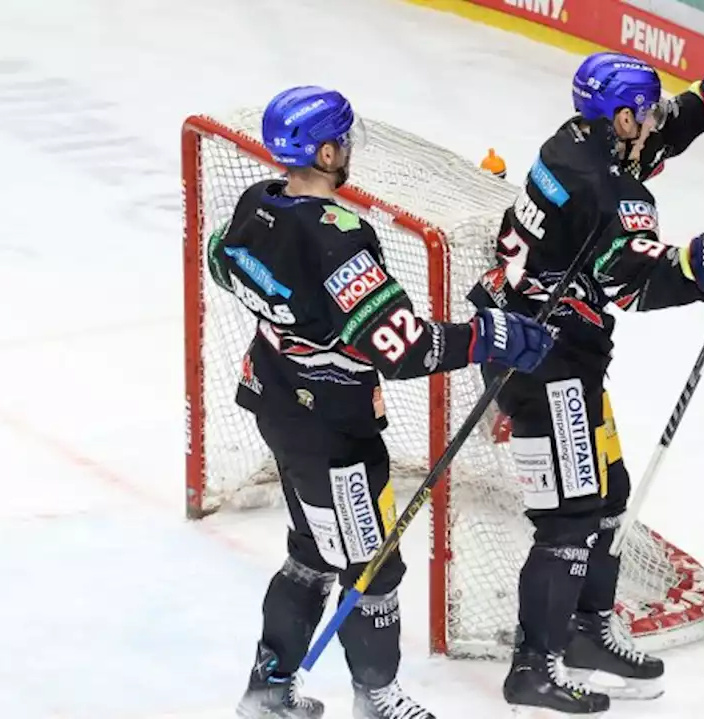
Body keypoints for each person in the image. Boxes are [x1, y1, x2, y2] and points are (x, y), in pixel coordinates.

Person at [466, 33, 704, 715]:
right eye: (644, 112)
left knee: (610, 496)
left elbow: (648, 147)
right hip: (545, 361)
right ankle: (533, 667)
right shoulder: (612, 191)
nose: (651, 122)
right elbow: (634, 284)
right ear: (621, 118)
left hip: (533, 341)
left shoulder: (575, 141)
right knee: (570, 518)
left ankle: (588, 632)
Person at [210, 85, 554, 719]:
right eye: (343, 138)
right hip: (332, 428)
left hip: (274, 396)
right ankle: (375, 698)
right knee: (373, 568)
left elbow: (220, 263)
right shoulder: (340, 238)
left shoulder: (256, 203)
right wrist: (490, 336)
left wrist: (301, 319)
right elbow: (403, 348)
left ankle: (267, 690)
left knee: (312, 551)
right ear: (327, 149)